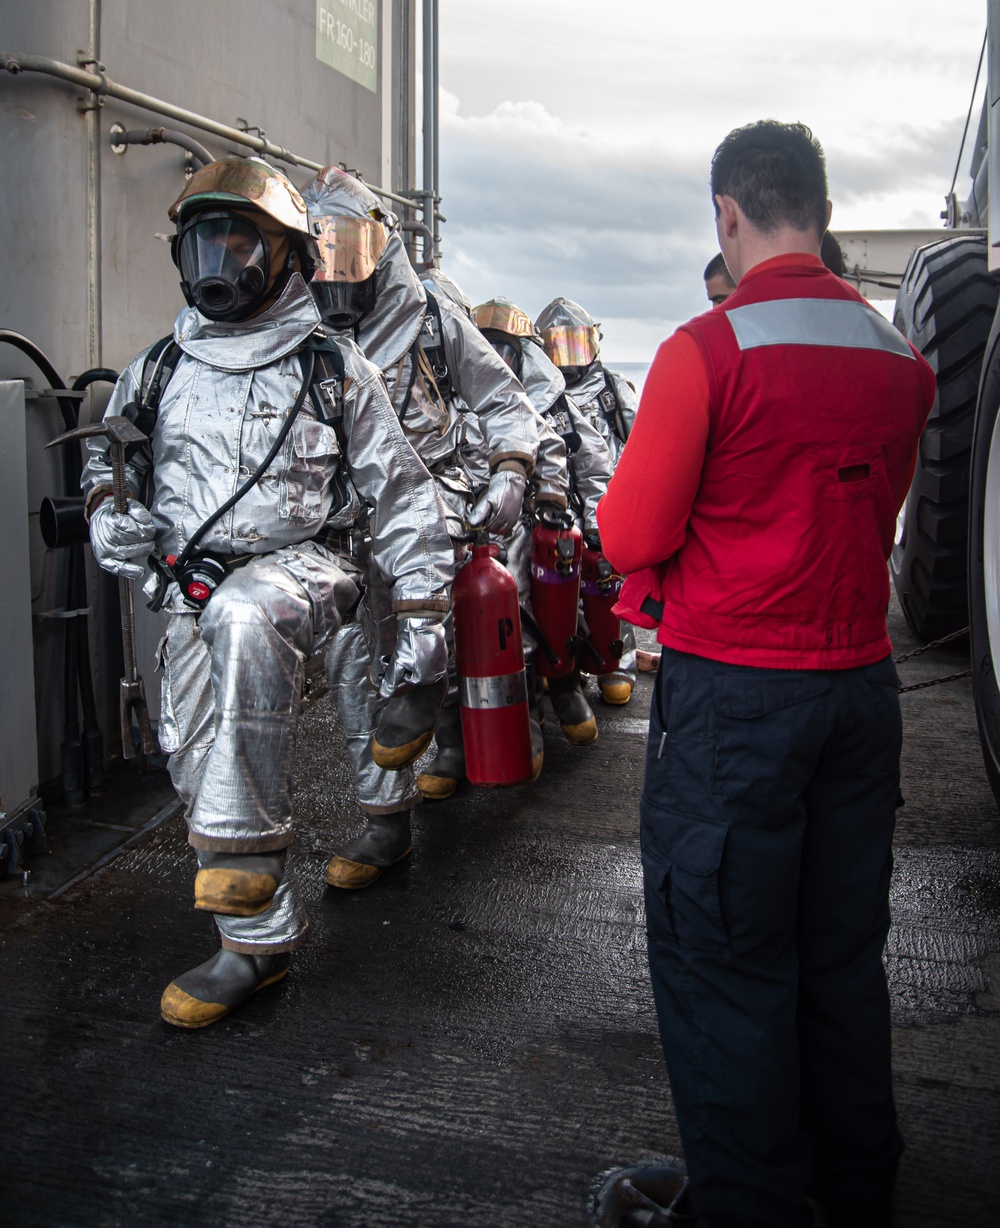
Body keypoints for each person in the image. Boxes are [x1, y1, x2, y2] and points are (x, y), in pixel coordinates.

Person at [598, 121, 934, 1228]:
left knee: (725, 967)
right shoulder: (903, 363)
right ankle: (848, 1190)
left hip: (734, 710)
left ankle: (745, 1206)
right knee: (836, 960)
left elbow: (628, 531)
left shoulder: (706, 352)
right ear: (821, 211)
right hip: (857, 696)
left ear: (727, 217)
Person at [82, 158, 453, 1025]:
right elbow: (112, 454)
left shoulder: (330, 365)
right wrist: (109, 513)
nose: (221, 261)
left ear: (286, 256)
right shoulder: (162, 362)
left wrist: (427, 640)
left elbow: (403, 498)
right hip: (190, 588)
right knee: (191, 754)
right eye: (206, 241)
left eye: (240, 242)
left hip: (304, 567)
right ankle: (255, 948)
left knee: (251, 612)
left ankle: (263, 863)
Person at [299, 167, 538, 856]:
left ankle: (450, 728)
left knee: (429, 647)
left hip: (430, 508)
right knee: (353, 672)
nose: (334, 269)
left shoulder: (431, 318)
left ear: (383, 247)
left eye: (349, 248)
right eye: (320, 250)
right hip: (344, 526)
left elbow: (503, 399)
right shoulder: (296, 334)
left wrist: (513, 469)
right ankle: (386, 828)